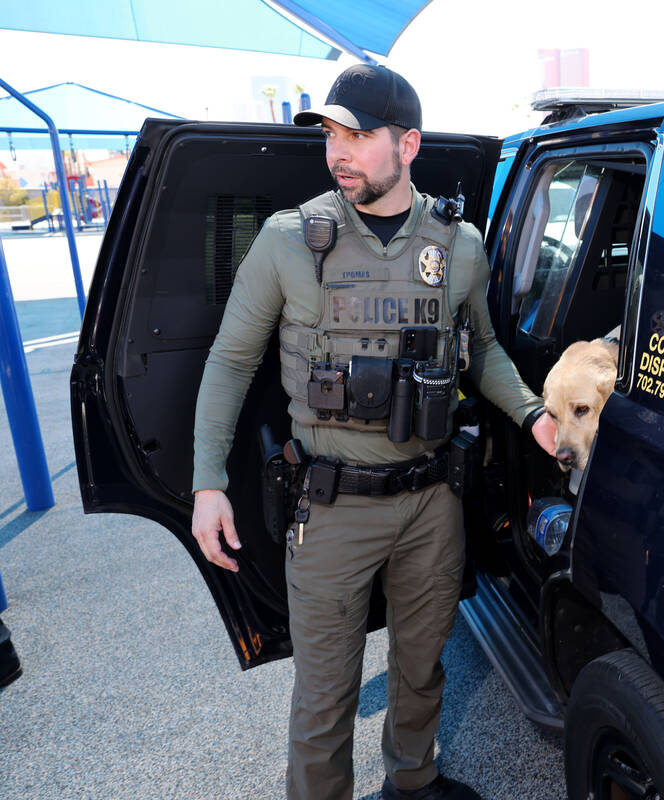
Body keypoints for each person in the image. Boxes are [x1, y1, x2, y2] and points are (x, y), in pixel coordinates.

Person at [190, 64, 555, 800]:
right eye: (332, 134)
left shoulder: (459, 246)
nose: (338, 152)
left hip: (430, 503)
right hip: (330, 507)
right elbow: (230, 361)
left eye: (357, 136)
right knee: (326, 695)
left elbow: (480, 349)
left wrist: (537, 415)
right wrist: (207, 482)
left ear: (408, 143)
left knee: (422, 667)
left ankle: (414, 782)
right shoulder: (288, 241)